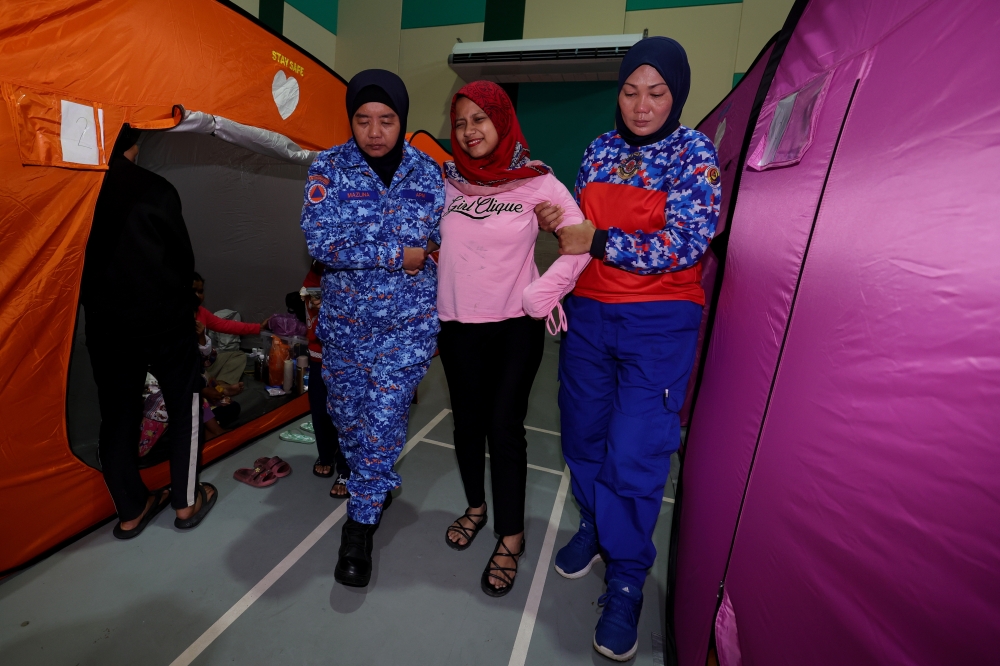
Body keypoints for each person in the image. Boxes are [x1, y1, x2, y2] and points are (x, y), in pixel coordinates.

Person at [535, 38, 721, 661]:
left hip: (659, 322)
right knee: (582, 434)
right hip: (590, 316)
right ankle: (595, 523)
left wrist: (600, 240)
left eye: (657, 92)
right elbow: (579, 232)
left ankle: (626, 578)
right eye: (631, 91)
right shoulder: (598, 150)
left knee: (636, 450)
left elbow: (687, 242)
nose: (642, 106)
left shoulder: (694, 154)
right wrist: (561, 229)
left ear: (677, 94)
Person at [436, 81, 587, 597]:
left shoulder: (538, 180)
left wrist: (543, 294)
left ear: (502, 121)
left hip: (513, 326)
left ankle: (512, 536)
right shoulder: (446, 181)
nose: (469, 130)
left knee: (503, 427)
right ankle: (476, 507)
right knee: (467, 424)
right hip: (457, 324)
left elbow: (579, 240)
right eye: (460, 122)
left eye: (480, 118)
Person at [299, 69, 444, 588]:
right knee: (349, 422)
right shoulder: (329, 168)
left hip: (407, 329)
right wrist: (396, 254)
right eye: (363, 120)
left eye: (387, 120)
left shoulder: (428, 172)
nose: (375, 131)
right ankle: (374, 478)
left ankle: (358, 529)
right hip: (345, 330)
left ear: (403, 120)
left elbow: (446, 237)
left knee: (383, 421)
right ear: (351, 120)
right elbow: (321, 243)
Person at [81, 125, 217, 539]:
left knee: (117, 414)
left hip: (106, 324)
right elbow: (181, 259)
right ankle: (185, 501)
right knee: (184, 401)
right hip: (163, 320)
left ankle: (130, 511)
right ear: (135, 143)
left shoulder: (78, 193)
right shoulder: (156, 189)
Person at [301, 261, 350, 496]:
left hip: (345, 357)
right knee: (320, 410)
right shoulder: (316, 269)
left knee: (345, 414)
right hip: (318, 355)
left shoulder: (354, 263)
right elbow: (308, 294)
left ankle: (346, 469)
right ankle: (325, 454)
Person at [192, 272, 269, 387]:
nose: (197, 296)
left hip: (203, 364)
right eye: (193, 291)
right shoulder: (174, 317)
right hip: (188, 371)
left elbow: (227, 325)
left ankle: (221, 384)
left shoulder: (201, 312)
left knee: (238, 356)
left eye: (200, 292)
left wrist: (259, 327)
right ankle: (212, 387)